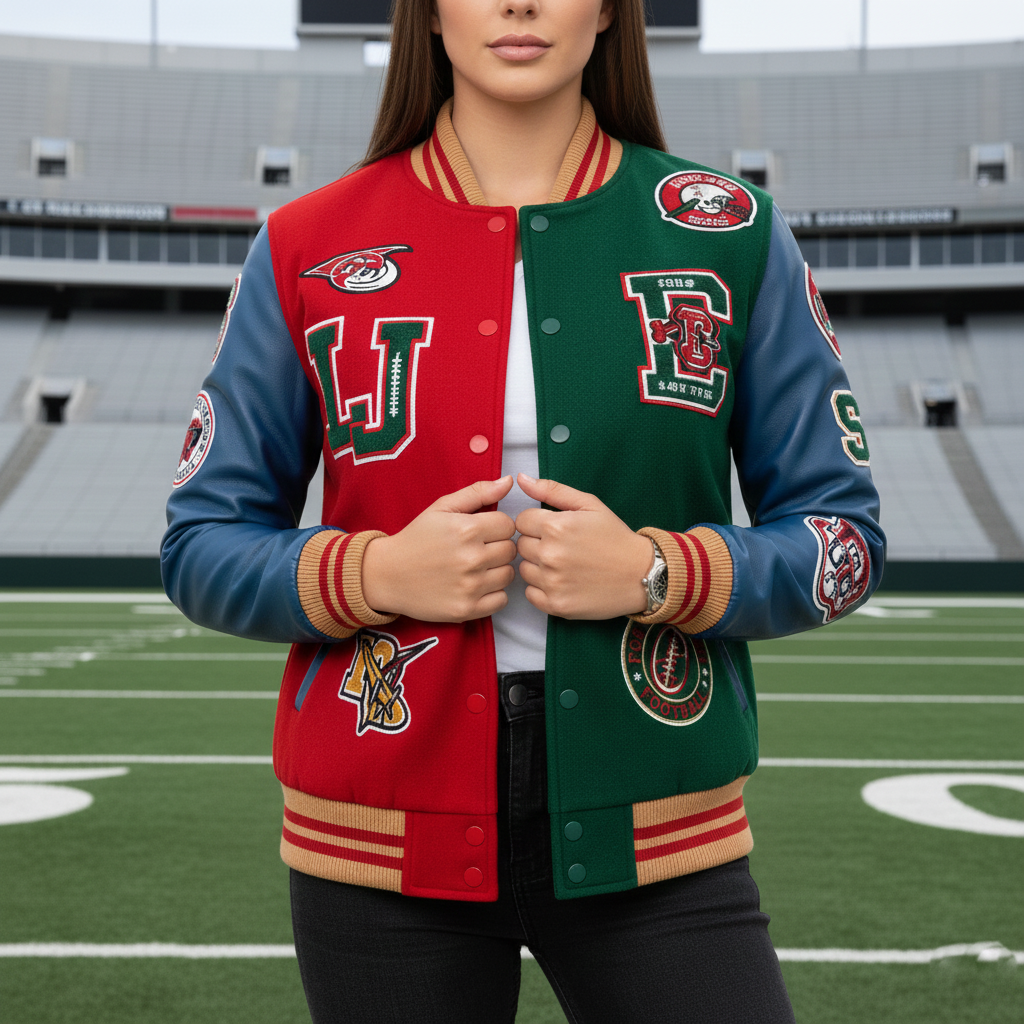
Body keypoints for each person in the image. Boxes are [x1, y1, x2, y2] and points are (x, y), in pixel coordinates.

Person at [162, 0, 884, 1020]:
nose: (517, 4)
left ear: (607, 12)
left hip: (660, 825)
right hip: (376, 838)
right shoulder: (303, 244)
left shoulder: (730, 234)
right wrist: (370, 573)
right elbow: (198, 543)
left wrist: (656, 571)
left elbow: (842, 538)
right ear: (427, 14)